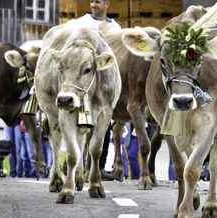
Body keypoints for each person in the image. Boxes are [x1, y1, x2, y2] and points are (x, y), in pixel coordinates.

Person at [74, 0, 121, 180]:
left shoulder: (115, 27)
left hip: (104, 83)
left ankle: (98, 167)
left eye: (98, 2)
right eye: (92, 1)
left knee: (104, 126)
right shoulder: (81, 23)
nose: (94, 5)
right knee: (82, 124)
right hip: (86, 82)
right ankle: (76, 164)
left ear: (107, 4)